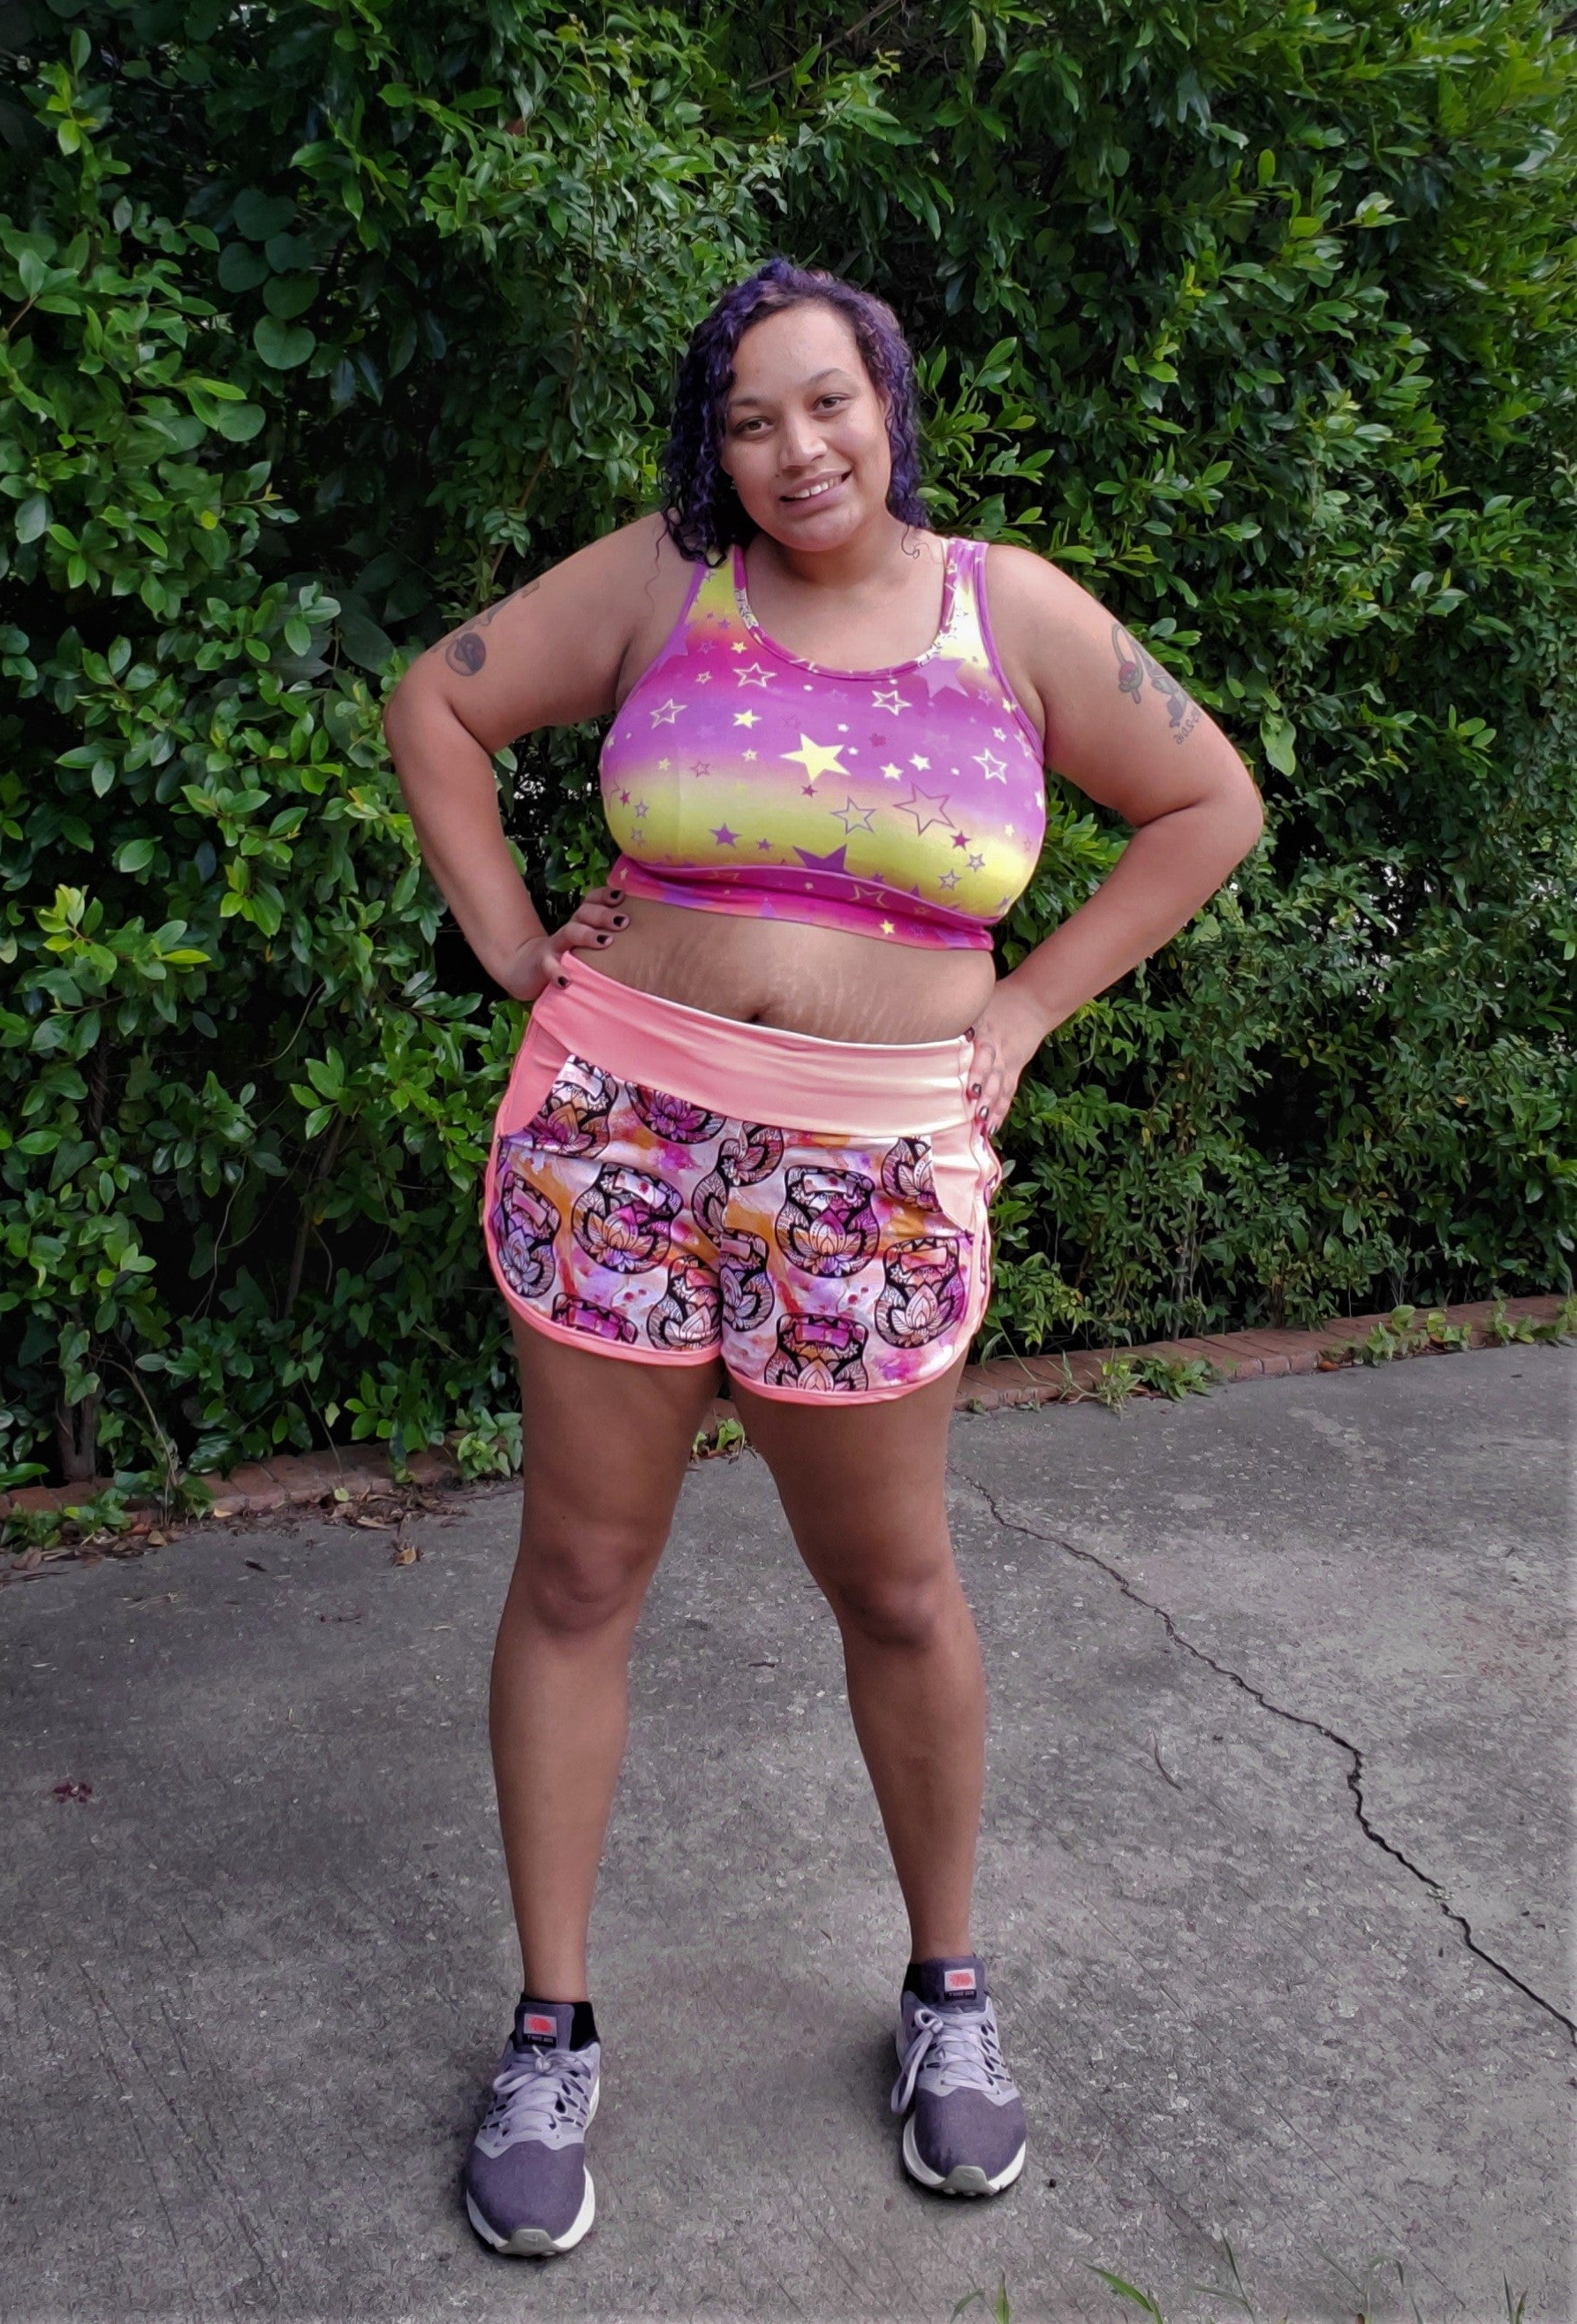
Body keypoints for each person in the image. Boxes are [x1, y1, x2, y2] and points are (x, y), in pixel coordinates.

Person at [383, 255, 1265, 2258]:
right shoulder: (661, 582)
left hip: (871, 1177)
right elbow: (437, 701)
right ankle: (551, 2026)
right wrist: (511, 944)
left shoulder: (1006, 612)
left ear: (889, 403)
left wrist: (1021, 1011)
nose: (796, 449)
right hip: (616, 1136)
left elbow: (1209, 802)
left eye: (827, 401)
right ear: (715, 450)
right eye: (750, 419)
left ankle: (946, 1992)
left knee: (895, 1588)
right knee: (579, 1576)